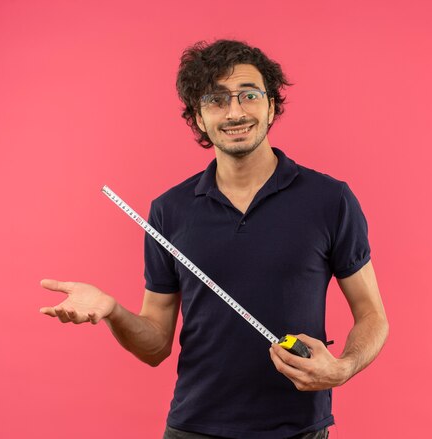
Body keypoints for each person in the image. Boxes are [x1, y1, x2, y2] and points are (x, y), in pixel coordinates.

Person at [40, 39, 389, 439]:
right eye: (216, 100)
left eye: (249, 95)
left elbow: (373, 316)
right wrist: (114, 311)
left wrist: (343, 367)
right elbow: (155, 346)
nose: (235, 111)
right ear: (198, 119)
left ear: (271, 105)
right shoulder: (169, 211)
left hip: (299, 429)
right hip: (194, 428)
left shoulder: (330, 199)